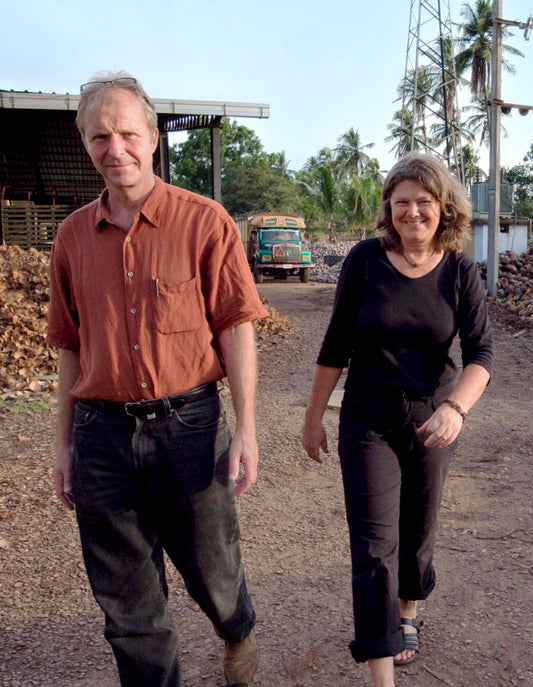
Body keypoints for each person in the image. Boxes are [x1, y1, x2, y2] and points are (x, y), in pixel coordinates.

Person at [46, 71, 265, 687]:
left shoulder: (205, 222)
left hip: (190, 427)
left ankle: (237, 629)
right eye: (98, 137)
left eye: (126, 133)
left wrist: (246, 428)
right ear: (85, 144)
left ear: (153, 138)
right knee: (129, 607)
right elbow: (67, 346)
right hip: (102, 437)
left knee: (212, 570)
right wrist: (61, 444)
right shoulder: (70, 238)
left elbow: (236, 326)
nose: (114, 149)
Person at [302, 152, 494, 687]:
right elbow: (336, 343)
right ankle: (381, 672)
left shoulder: (460, 269)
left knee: (418, 531)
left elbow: (481, 353)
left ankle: (409, 610)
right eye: (402, 202)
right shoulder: (364, 260)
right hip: (367, 417)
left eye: (424, 202)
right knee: (372, 545)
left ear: (443, 207)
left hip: (433, 420)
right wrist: (314, 416)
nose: (413, 212)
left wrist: (456, 409)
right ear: (389, 206)